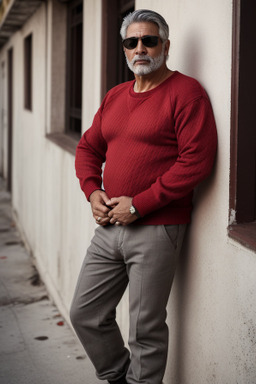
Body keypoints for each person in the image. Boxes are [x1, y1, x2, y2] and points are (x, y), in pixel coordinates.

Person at [70, 9, 217, 384]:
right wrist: (93, 192)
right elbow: (88, 148)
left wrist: (138, 204)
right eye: (131, 42)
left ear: (166, 46)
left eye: (149, 40)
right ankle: (119, 378)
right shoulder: (116, 96)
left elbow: (196, 162)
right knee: (86, 314)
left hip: (157, 227)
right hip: (108, 227)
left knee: (145, 330)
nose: (140, 48)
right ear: (124, 50)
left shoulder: (187, 94)